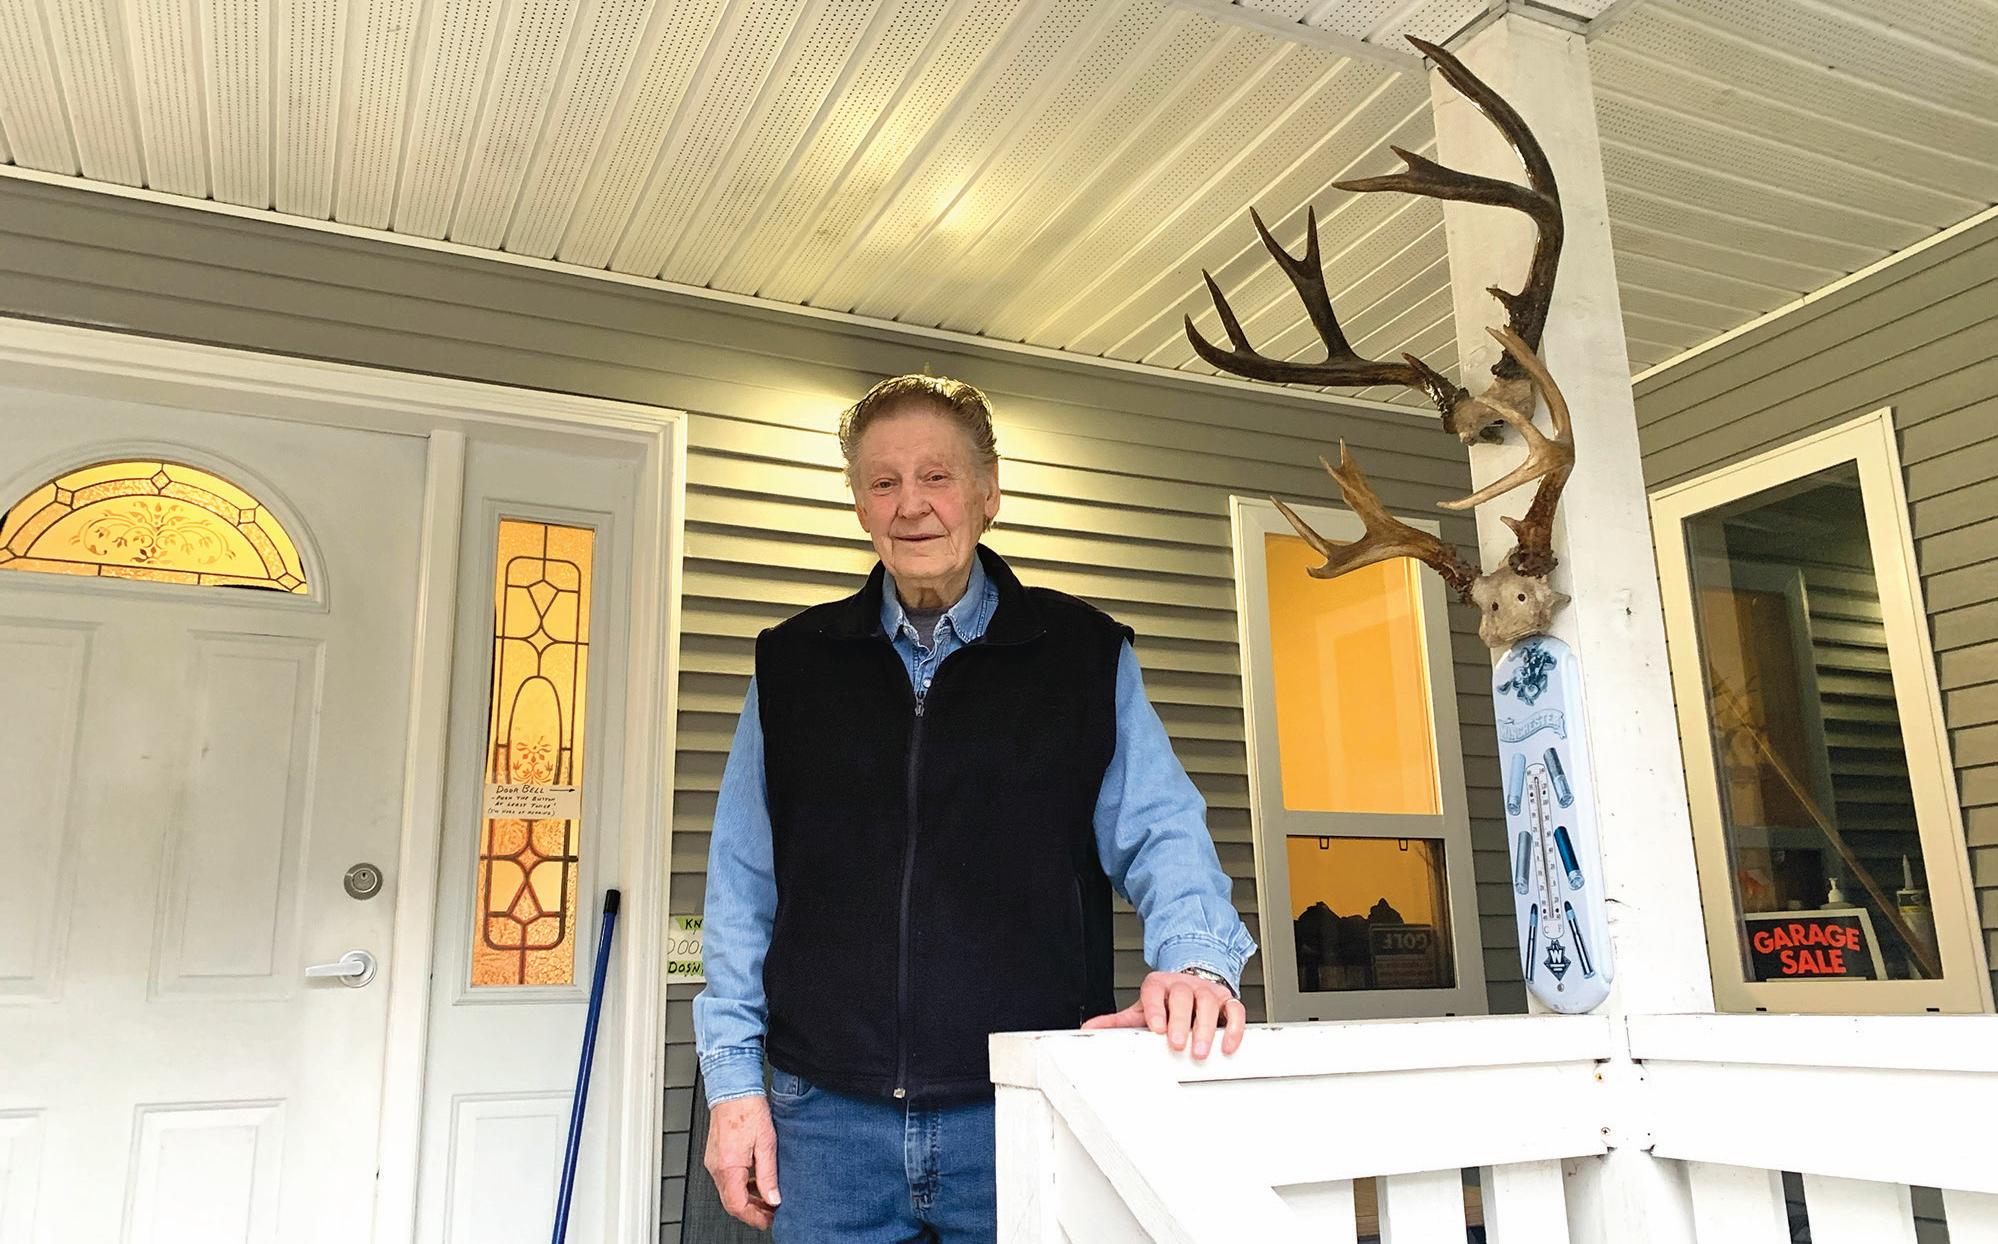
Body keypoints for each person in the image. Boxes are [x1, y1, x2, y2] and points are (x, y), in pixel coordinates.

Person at [695, 374, 1257, 1242]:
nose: (911, 505)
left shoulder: (1082, 656)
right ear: (859, 505)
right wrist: (734, 1086)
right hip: (827, 1121)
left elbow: (1162, 832)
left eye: (937, 476)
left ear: (988, 492)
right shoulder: (793, 666)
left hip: (1023, 1103)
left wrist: (1197, 965)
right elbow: (741, 888)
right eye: (884, 482)